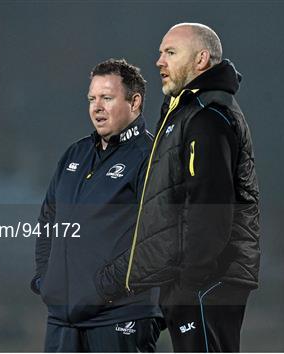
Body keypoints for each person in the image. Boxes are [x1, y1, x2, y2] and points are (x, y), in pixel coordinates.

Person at [96, 23, 260, 352]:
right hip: (190, 280)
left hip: (206, 280)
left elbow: (210, 207)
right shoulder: (184, 114)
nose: (159, 61)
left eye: (170, 52)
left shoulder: (207, 117)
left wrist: (190, 281)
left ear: (201, 59)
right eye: (160, 52)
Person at [31, 58, 162, 352]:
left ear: (135, 102)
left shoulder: (152, 158)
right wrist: (46, 280)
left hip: (120, 316)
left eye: (107, 97)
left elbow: (159, 241)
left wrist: (103, 288)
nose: (97, 106)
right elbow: (48, 220)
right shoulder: (74, 154)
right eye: (92, 98)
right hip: (63, 319)